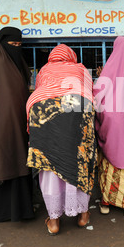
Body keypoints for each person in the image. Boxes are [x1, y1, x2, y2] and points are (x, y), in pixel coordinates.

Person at [26, 44, 97, 235]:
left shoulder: (44, 70)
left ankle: (55, 221)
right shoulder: (80, 68)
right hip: (77, 106)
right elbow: (90, 91)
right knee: (80, 160)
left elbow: (40, 87)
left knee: (49, 163)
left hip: (41, 109)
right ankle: (82, 216)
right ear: (71, 56)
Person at [0, 26, 35, 222]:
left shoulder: (15, 63)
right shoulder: (1, 64)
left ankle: (22, 210)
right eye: (13, 44)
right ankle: (7, 211)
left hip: (17, 122)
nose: (17, 48)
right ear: (3, 45)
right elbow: (4, 100)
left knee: (17, 161)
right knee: (8, 162)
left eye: (20, 45)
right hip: (5, 124)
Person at [93, 36, 124, 219]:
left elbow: (97, 96)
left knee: (109, 164)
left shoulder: (110, 68)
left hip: (113, 127)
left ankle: (106, 202)